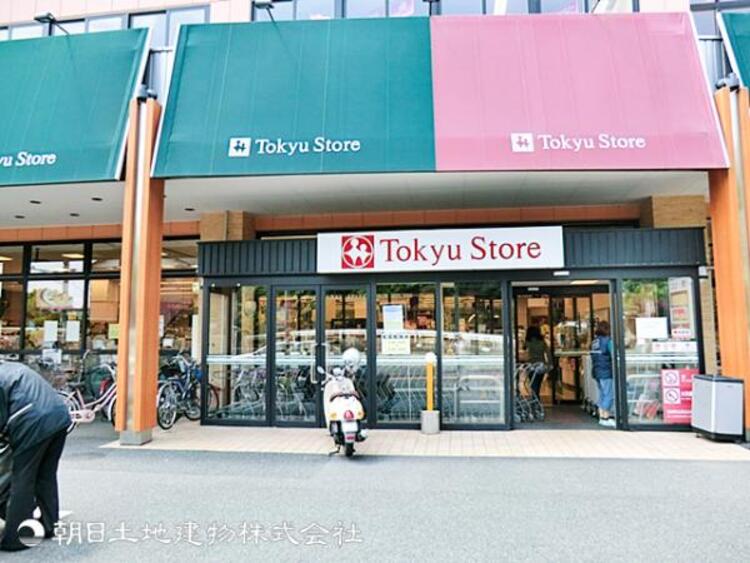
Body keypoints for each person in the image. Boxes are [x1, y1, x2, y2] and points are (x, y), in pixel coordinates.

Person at [0, 361, 71, 551]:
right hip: (59, 416)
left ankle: (16, 538)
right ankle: (49, 525)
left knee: (22, 477)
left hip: (32, 420)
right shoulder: (12, 367)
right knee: (46, 475)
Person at [591, 321, 616, 428]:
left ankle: (602, 417)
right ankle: (605, 417)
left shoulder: (594, 342)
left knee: (602, 394)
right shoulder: (608, 341)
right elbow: (614, 354)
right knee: (608, 395)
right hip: (606, 371)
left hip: (596, 371)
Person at [524, 325, 550, 400]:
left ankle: (535, 399)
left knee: (533, 383)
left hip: (531, 365)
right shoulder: (542, 342)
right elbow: (547, 352)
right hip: (541, 364)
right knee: (538, 383)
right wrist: (549, 364)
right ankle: (536, 398)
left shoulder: (528, 342)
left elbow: (524, 350)